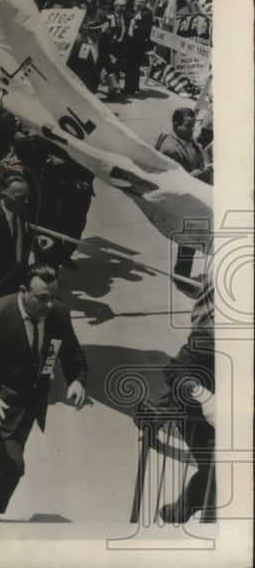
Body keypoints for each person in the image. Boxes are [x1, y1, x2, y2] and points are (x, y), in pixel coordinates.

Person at [0, 264, 88, 522]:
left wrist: (77, 380)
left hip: (32, 402)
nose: (49, 305)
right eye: (42, 298)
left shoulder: (58, 313)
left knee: (8, 456)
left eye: (53, 296)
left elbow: (73, 354)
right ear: (23, 291)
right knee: (13, 463)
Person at [158, 276, 215, 523]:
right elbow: (176, 371)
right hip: (201, 414)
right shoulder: (215, 331)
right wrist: (206, 398)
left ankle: (188, 504)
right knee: (224, 475)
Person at [156, 107, 211, 282]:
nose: (192, 129)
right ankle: (181, 277)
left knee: (192, 240)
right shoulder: (170, 149)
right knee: (189, 240)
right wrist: (190, 176)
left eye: (194, 125)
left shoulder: (188, 140)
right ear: (176, 124)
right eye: (188, 126)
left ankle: (182, 274)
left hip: (196, 196)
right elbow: (169, 178)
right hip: (185, 201)